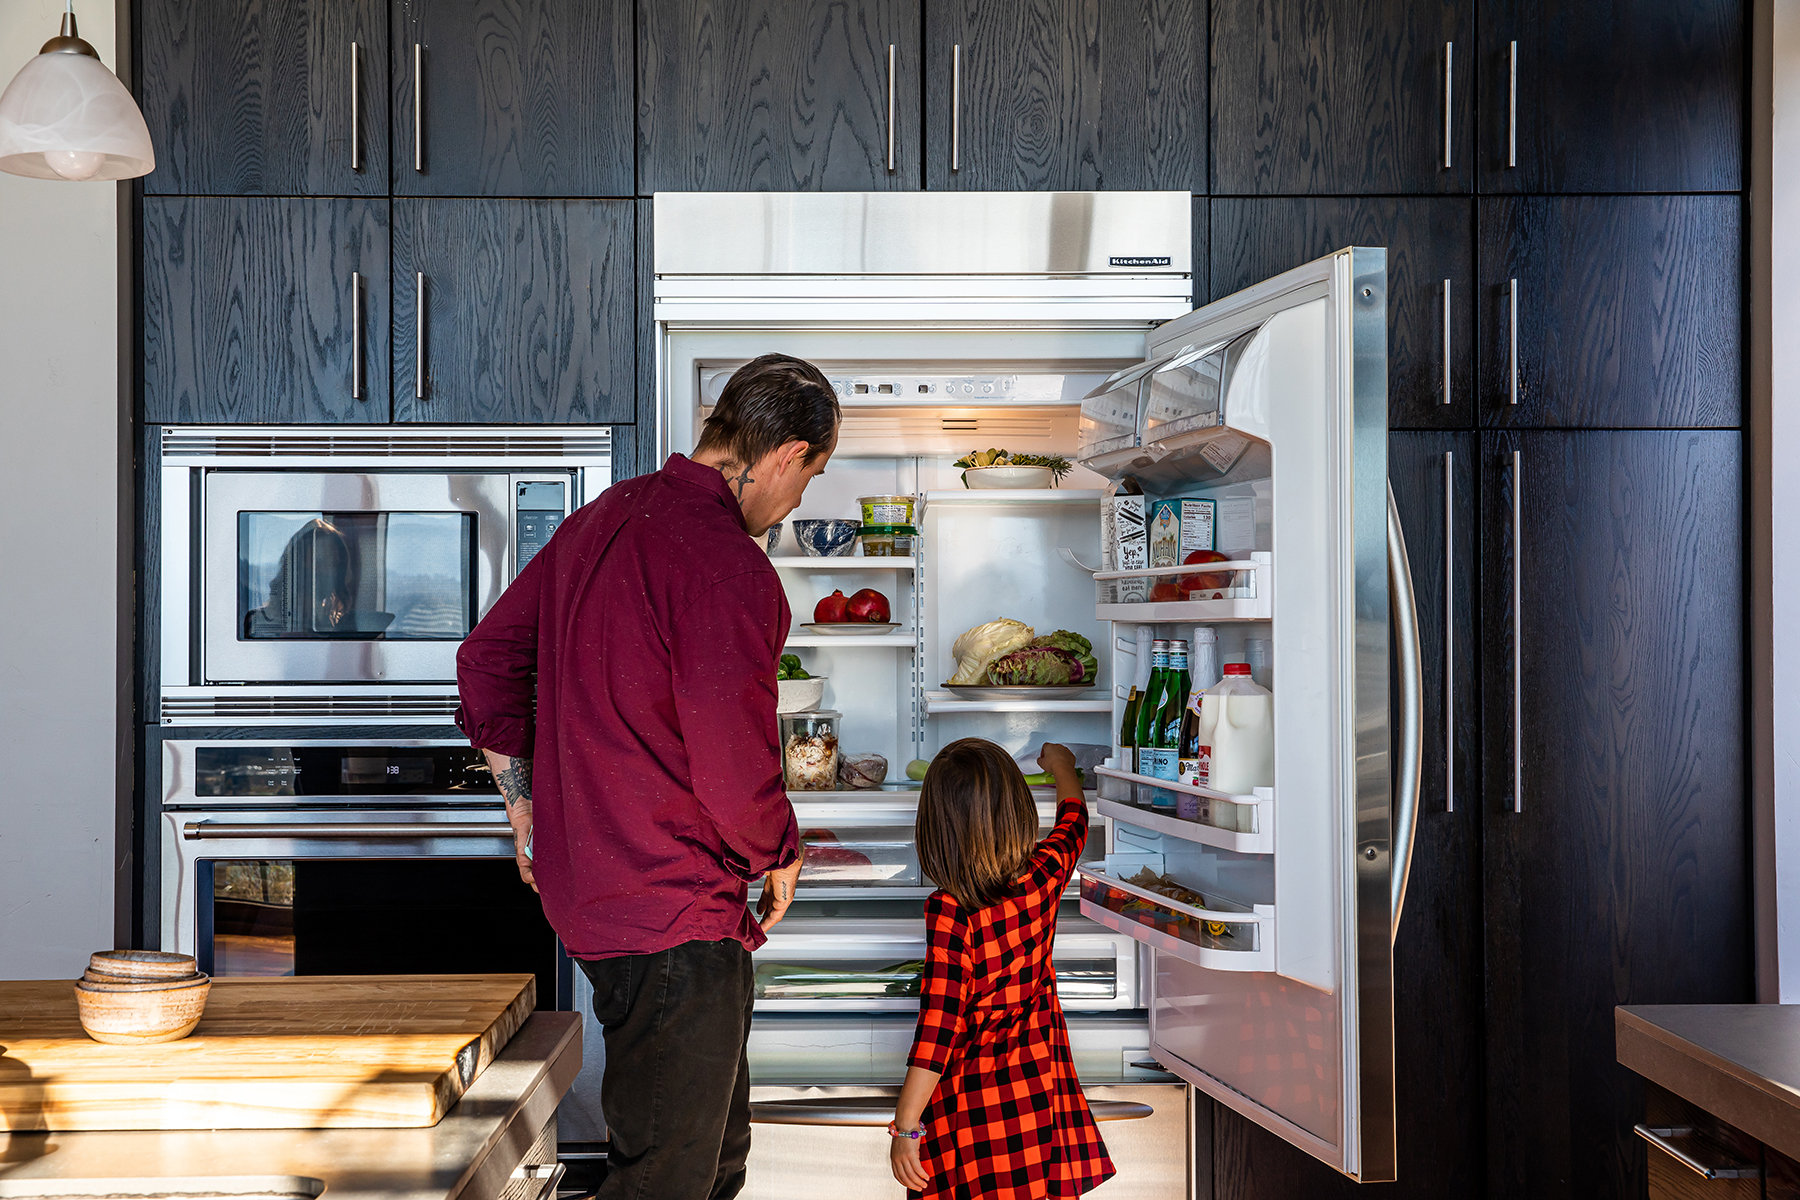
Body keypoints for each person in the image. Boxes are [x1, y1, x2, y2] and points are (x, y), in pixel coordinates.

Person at [455, 353, 841, 1200]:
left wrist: (523, 807)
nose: (797, 502)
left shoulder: (603, 519)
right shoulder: (727, 565)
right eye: (809, 480)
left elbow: (486, 662)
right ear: (786, 455)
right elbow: (735, 769)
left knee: (712, 1162)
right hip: (671, 909)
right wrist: (780, 851)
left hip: (596, 896)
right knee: (666, 1182)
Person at [888, 739, 1116, 1199]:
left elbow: (940, 1027)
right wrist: (1061, 767)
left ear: (936, 829)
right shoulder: (1042, 875)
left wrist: (906, 1128)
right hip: (1035, 1090)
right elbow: (1075, 822)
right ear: (1018, 811)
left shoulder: (951, 910)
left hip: (970, 1107)